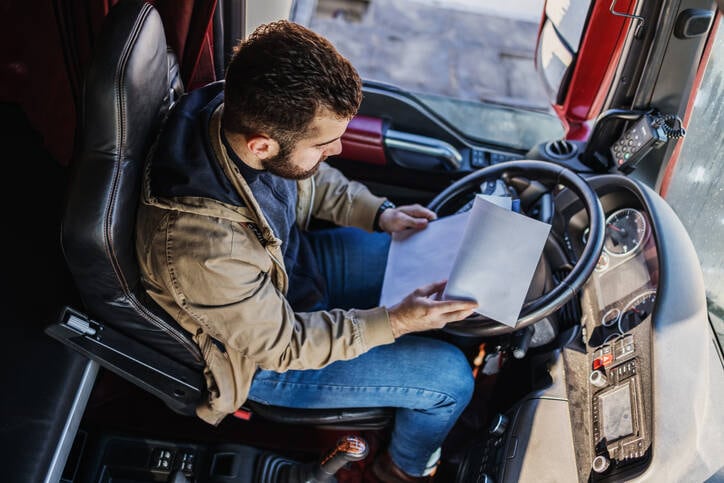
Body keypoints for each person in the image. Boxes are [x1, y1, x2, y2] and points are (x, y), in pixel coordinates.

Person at [135, 20, 478, 482]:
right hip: (265, 359)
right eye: (324, 143)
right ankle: (402, 469)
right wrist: (395, 322)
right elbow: (283, 344)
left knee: (448, 269)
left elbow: (308, 181)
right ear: (262, 144)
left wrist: (380, 214)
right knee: (451, 380)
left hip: (298, 270)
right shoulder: (204, 250)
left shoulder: (233, 118)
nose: (336, 150)